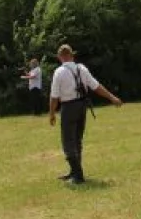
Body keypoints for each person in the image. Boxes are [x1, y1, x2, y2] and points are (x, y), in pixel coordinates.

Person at [49, 44, 122, 184]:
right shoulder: (81, 68)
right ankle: (74, 172)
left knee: (68, 141)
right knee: (77, 140)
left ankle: (78, 176)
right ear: (71, 55)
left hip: (68, 107)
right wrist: (112, 97)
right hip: (82, 106)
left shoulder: (59, 72)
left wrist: (52, 114)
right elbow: (96, 86)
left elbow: (54, 97)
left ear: (60, 57)